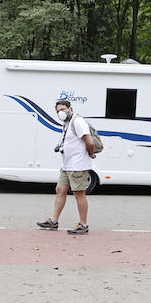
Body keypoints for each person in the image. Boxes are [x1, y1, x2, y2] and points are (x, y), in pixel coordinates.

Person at [37, 99, 97, 235]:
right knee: (60, 190)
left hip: (77, 165)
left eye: (63, 110)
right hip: (67, 165)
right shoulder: (67, 123)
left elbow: (90, 141)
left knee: (79, 193)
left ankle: (83, 224)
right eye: (58, 111)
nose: (61, 113)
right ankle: (53, 221)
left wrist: (91, 153)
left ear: (70, 109)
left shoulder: (78, 121)